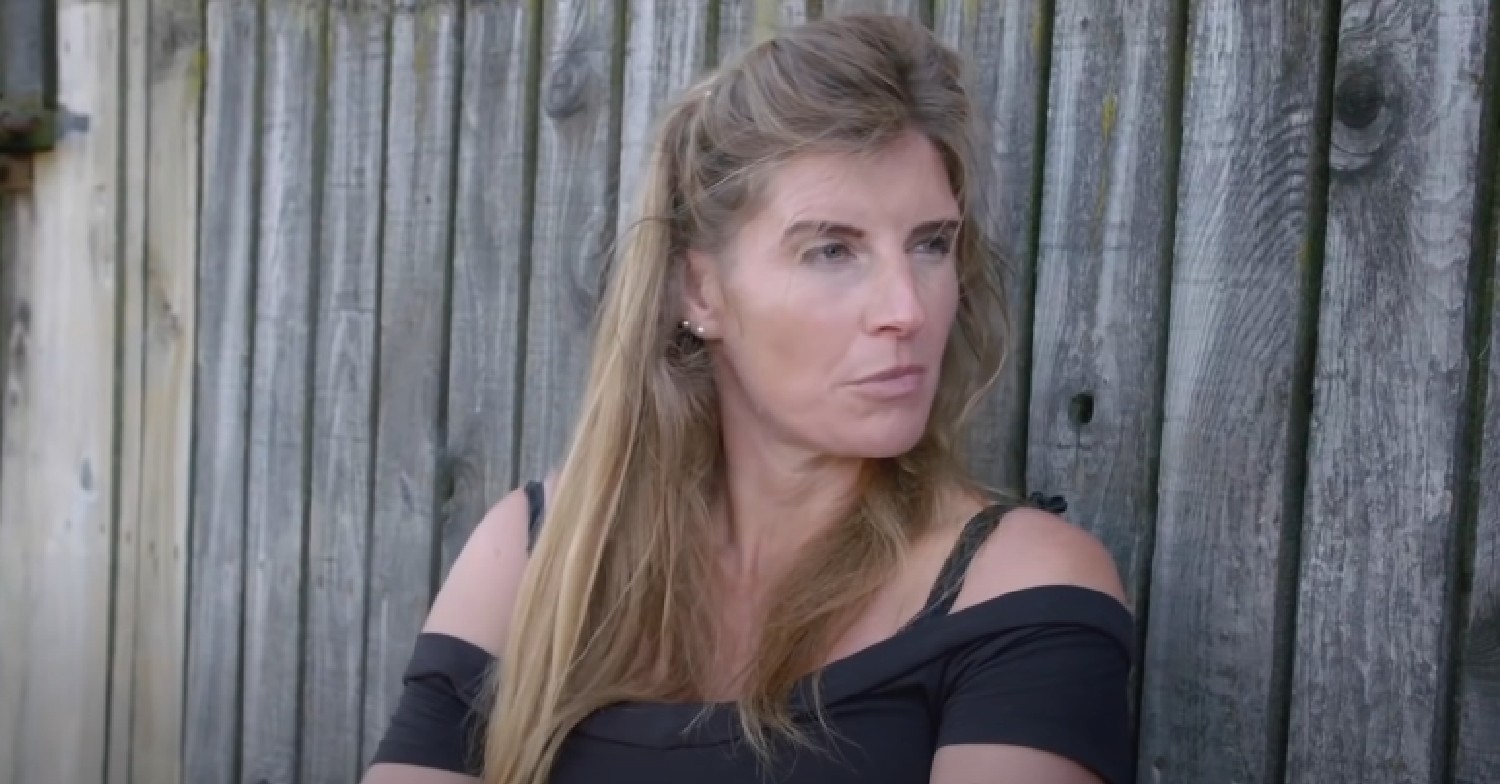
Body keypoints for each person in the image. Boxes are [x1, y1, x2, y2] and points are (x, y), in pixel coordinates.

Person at [363, 12, 1134, 784]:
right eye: (832, 249)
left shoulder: (1018, 586)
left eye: (930, 243)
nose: (908, 306)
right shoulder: (539, 554)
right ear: (701, 289)